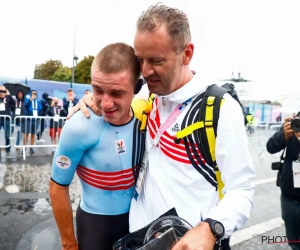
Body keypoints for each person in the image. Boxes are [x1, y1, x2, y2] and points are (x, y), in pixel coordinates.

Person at [70, 3, 256, 249]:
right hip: (136, 238)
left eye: (156, 60)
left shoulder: (220, 108)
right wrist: (93, 101)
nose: (145, 71)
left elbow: (242, 189)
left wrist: (212, 227)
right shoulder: (148, 94)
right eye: (140, 59)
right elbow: (113, 103)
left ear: (187, 54)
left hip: (184, 243)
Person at [49, 42, 146, 250]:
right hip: (95, 227)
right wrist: (68, 244)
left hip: (137, 222)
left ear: (136, 88)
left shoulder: (147, 117)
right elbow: (57, 185)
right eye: (98, 90)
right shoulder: (79, 124)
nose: (106, 104)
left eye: (117, 93)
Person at [267, 113, 300, 250]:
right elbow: (270, 147)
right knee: (294, 241)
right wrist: (284, 136)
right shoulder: (294, 122)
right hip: (289, 196)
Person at [24, 89, 42, 154]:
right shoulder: (27, 99)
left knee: (33, 134)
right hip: (29, 118)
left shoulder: (38, 101)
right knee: (26, 133)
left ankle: (31, 148)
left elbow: (40, 110)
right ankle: (24, 147)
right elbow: (25, 106)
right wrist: (30, 100)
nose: (34, 95)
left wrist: (39, 118)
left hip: (35, 118)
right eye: (33, 93)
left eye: (35, 94)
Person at [0, 85, 15, 156]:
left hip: (7, 119)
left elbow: (14, 103)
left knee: (7, 135)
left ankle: (8, 149)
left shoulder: (8, 98)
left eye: (3, 91)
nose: (1, 93)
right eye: (0, 91)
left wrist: (9, 95)